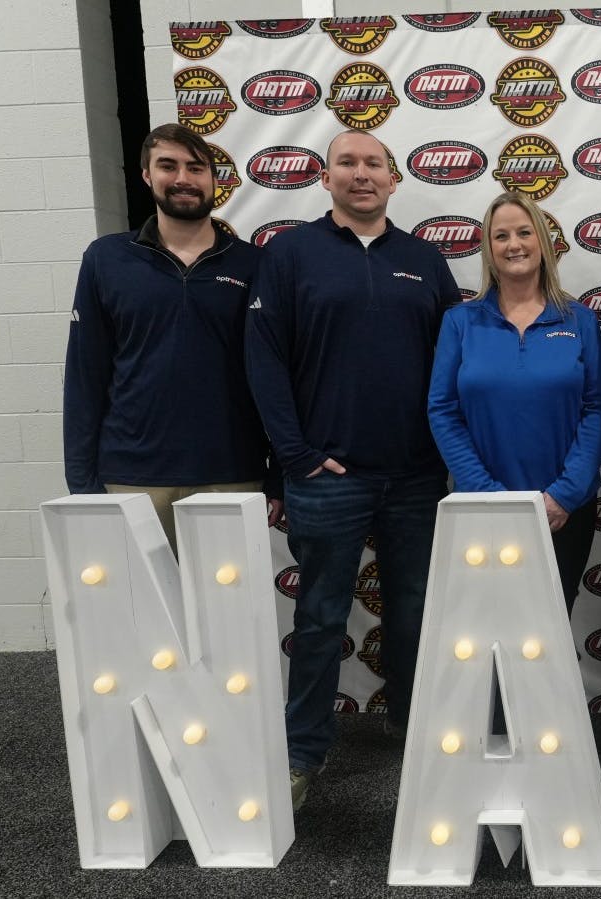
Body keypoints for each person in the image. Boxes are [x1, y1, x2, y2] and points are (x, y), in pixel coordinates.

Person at [245, 129, 461, 810]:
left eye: (373, 164)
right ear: (325, 176)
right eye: (347, 163)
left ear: (393, 180)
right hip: (326, 478)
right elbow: (263, 361)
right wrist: (297, 458)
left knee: (416, 614)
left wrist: (453, 457)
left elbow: (454, 365)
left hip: (416, 479)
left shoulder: (423, 260)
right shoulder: (288, 254)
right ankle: (303, 750)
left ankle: (418, 733)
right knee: (317, 619)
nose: (361, 174)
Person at [63, 123, 280, 546]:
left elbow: (278, 376)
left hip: (232, 475)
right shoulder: (106, 259)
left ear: (215, 180)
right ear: (147, 175)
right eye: (168, 166)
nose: (183, 178)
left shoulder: (254, 265)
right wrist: (82, 482)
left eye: (196, 168)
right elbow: (85, 375)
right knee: (139, 612)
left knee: (228, 612)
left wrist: (278, 476)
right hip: (130, 479)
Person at [428, 192, 601, 613]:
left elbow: (598, 407)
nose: (514, 244)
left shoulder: (579, 319)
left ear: (543, 241)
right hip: (482, 507)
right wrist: (486, 495)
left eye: (524, 232)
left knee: (550, 624)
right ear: (488, 250)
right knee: (487, 627)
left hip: (565, 509)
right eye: (501, 235)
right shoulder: (461, 321)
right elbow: (443, 410)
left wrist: (566, 494)